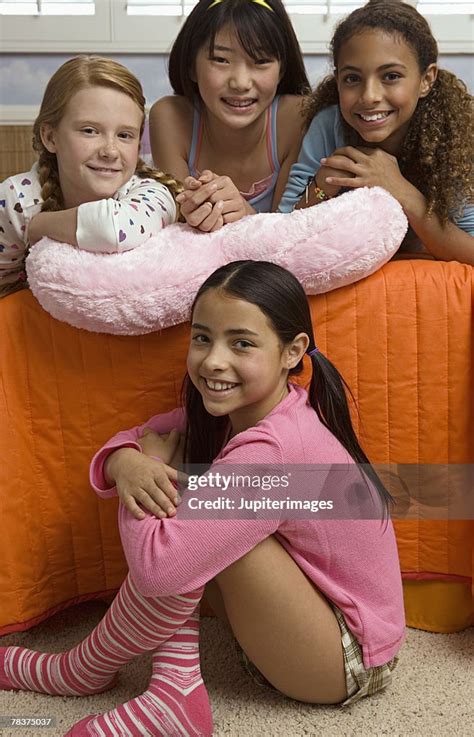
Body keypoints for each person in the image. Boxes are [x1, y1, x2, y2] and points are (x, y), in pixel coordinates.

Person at [0, 261, 405, 736]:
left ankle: (85, 669)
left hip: (347, 659)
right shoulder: (241, 413)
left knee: (189, 526)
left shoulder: (275, 449)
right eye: (202, 338)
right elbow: (147, 436)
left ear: (292, 352)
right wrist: (126, 463)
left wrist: (147, 476)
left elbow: (159, 570)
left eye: (242, 343)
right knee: (191, 495)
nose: (213, 360)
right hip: (310, 624)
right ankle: (173, 685)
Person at [278, 0, 474, 263]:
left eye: (391, 76)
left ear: (426, 79)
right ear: (338, 81)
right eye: (352, 78)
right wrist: (322, 186)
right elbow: (281, 231)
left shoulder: (453, 135)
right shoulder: (329, 126)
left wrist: (400, 189)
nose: (369, 96)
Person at [0, 56, 181, 298]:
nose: (109, 151)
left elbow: (111, 229)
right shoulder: (17, 199)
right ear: (50, 137)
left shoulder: (152, 193)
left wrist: (38, 226)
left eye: (125, 135)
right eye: (89, 131)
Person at [149, 0, 310, 231]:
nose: (240, 83)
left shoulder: (298, 117)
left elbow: (287, 235)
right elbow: (177, 232)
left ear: (281, 70)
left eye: (261, 61)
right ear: (191, 66)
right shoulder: (170, 117)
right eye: (221, 60)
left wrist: (245, 214)